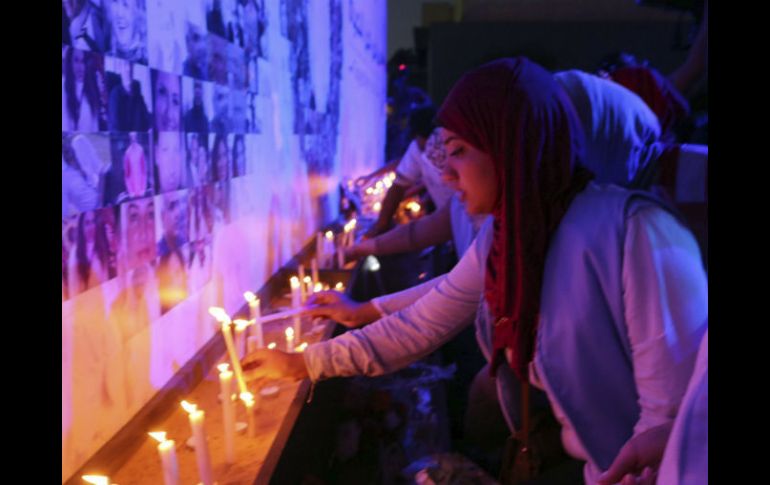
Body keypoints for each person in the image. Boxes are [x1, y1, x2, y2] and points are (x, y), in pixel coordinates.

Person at [242, 58, 708, 483]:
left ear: (511, 145)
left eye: (460, 150)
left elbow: (669, 423)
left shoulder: (636, 232)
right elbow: (423, 323)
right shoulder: (506, 235)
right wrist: (306, 362)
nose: (446, 176)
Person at [365, 107, 455, 238]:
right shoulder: (417, 150)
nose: (447, 176)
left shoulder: (450, 146)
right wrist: (381, 226)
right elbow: (399, 185)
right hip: (446, 220)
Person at [62, 47, 105, 132]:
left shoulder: (91, 90)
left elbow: (94, 126)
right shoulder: (63, 86)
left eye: (83, 61)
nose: (81, 67)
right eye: (76, 61)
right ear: (69, 62)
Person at [107, 58, 151, 132]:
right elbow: (115, 128)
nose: (129, 69)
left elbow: (146, 120)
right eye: (125, 65)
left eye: (131, 65)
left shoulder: (138, 94)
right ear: (120, 69)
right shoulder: (115, 95)